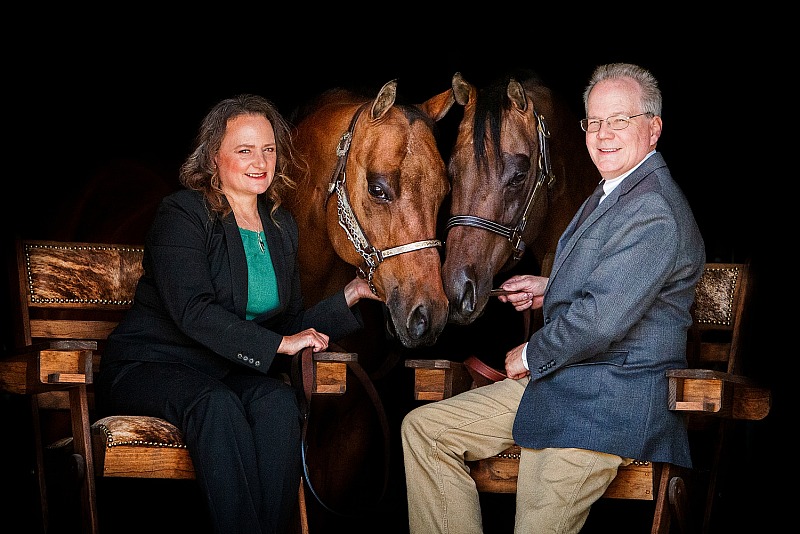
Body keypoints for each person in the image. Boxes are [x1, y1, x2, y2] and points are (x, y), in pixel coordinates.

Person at [401, 62, 706, 533]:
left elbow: (601, 322)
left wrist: (532, 352)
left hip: (607, 403)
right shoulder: (613, 193)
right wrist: (553, 288)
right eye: (595, 121)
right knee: (424, 431)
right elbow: (616, 281)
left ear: (654, 128)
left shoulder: (655, 210)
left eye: (620, 120)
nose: (604, 134)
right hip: (565, 384)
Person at [96, 94, 381, 534]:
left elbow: (283, 326)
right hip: (152, 365)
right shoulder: (183, 214)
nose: (260, 161)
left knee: (277, 403)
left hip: (224, 371)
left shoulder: (280, 226)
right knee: (217, 407)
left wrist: (349, 296)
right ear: (214, 156)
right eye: (244, 150)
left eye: (268, 149)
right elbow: (193, 310)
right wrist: (280, 345)